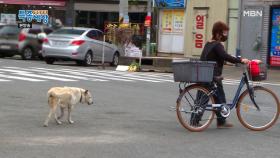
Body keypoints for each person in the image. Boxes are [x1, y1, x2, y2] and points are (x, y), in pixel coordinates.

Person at [199, 21, 249, 128]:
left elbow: (219, 56)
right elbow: (225, 56)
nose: (226, 35)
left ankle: (220, 121)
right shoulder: (217, 45)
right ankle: (218, 121)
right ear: (218, 33)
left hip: (205, 74)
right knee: (217, 99)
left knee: (209, 98)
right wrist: (240, 60)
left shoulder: (209, 43)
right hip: (213, 76)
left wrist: (229, 59)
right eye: (224, 33)